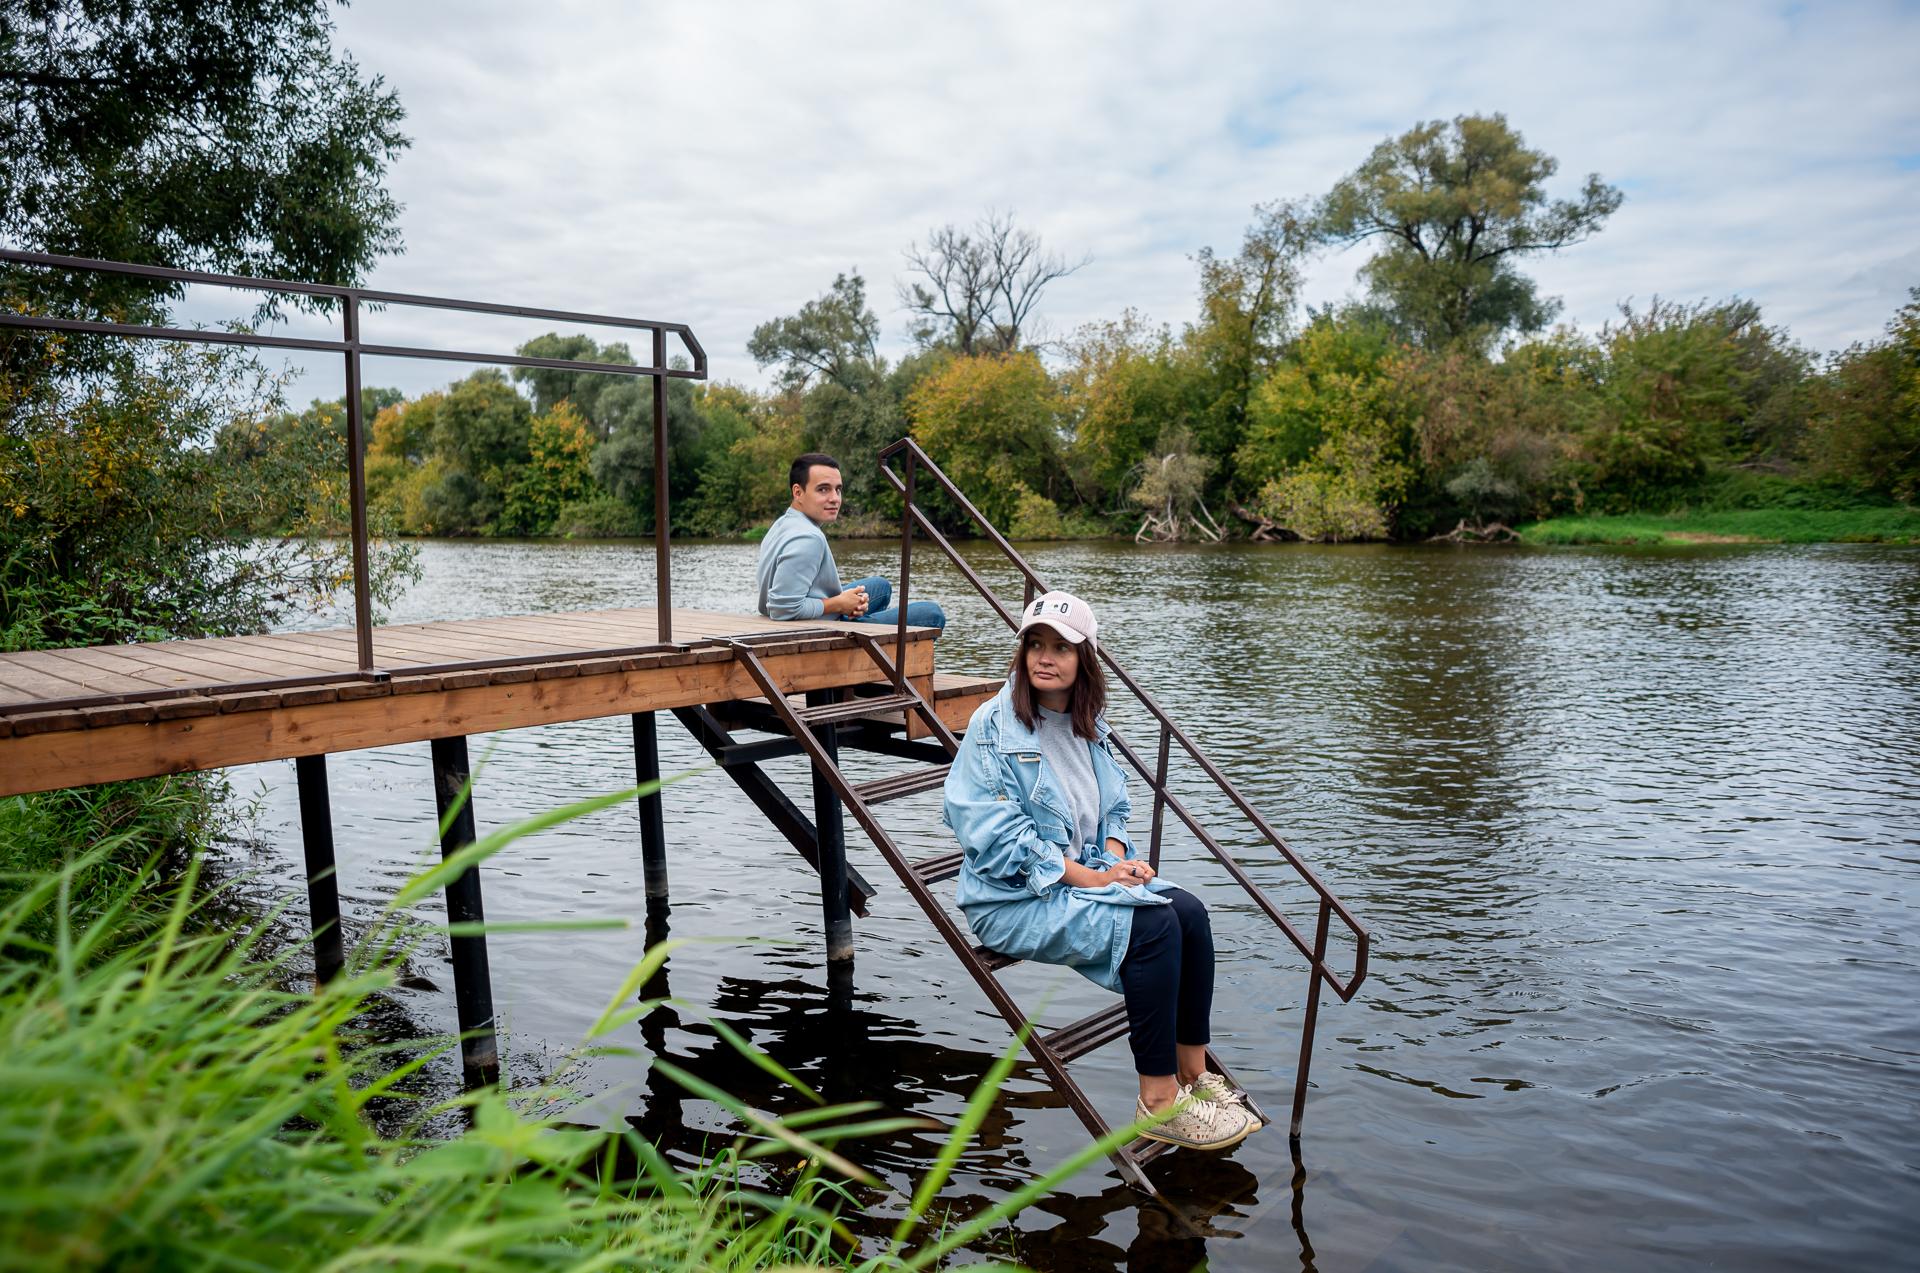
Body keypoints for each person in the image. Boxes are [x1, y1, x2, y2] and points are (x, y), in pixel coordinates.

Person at [942, 591, 1258, 1151]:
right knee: (1154, 928)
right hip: (1012, 898)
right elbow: (990, 833)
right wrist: (1092, 880)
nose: (1045, 657)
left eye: (1061, 647)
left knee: (1188, 912)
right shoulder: (995, 725)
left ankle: (1194, 1075)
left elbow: (1112, 808)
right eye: (1034, 644)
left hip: (1078, 875)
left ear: (1083, 658)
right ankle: (1157, 1102)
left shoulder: (1089, 723)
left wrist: (1116, 862)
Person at [755, 453, 946, 631]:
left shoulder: (784, 523)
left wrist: (847, 602)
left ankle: (859, 620)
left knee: (880, 586)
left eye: (838, 489)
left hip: (807, 611)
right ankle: (862, 634)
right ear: (798, 492)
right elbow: (782, 609)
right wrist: (839, 604)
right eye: (823, 489)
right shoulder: (808, 539)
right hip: (816, 627)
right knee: (931, 614)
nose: (835, 499)